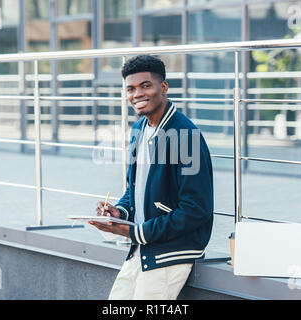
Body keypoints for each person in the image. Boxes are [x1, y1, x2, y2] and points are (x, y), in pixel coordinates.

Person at [90, 55, 214, 300]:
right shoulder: (138, 130)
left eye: (146, 85)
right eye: (131, 89)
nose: (137, 94)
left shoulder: (186, 136)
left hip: (171, 252)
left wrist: (135, 233)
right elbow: (134, 190)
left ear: (163, 87)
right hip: (143, 248)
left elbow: (196, 210)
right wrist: (120, 213)